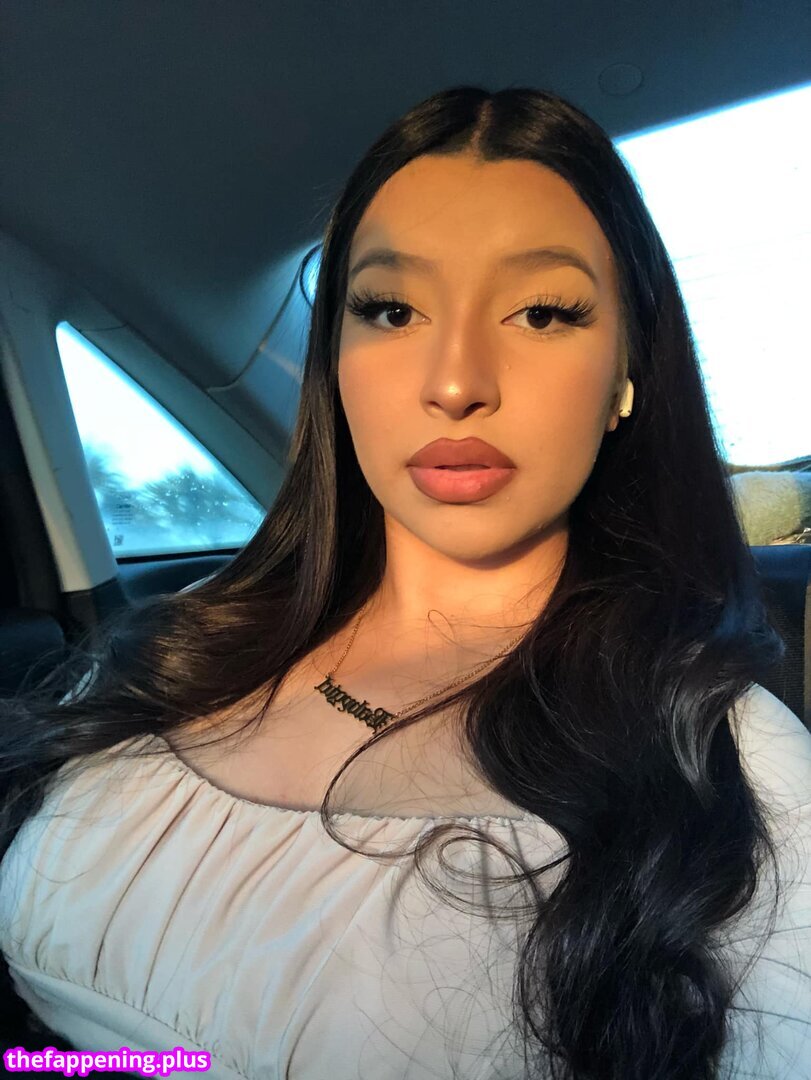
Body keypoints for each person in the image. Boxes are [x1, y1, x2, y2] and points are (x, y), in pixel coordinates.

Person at [0, 85, 809, 1080]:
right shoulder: (175, 645)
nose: (455, 381)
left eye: (542, 312)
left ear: (625, 378)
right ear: (335, 362)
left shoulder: (729, 770)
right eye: (390, 310)